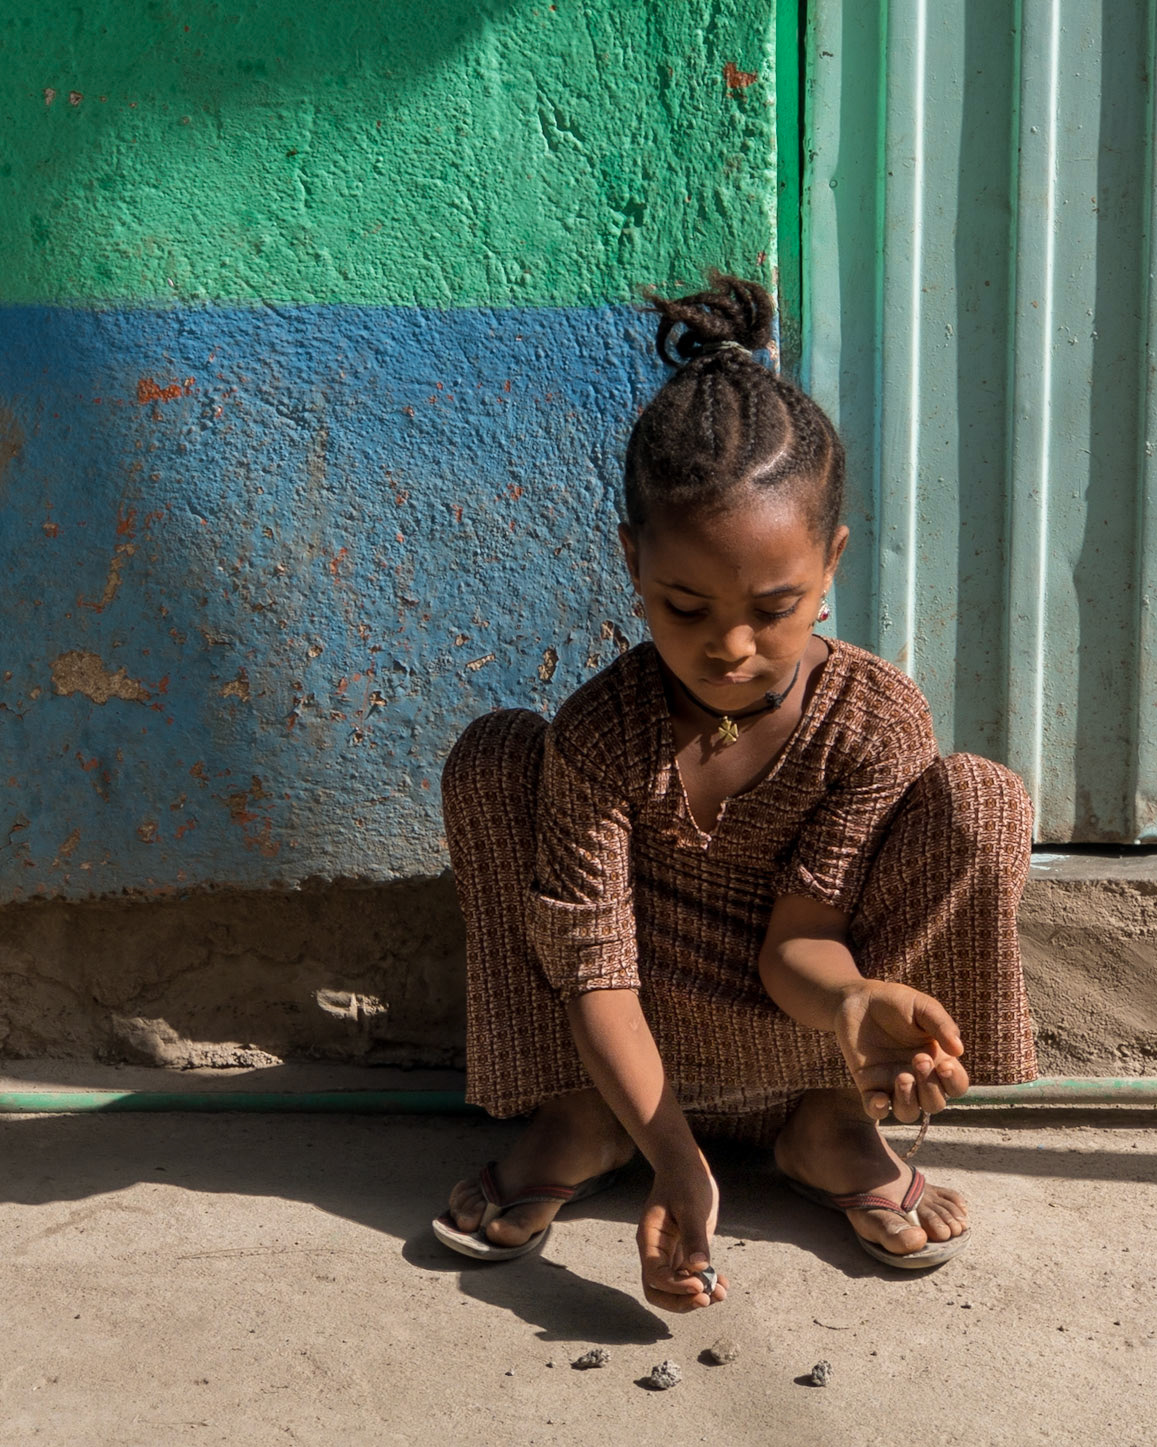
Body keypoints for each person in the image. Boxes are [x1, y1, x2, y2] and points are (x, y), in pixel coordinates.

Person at [432, 271, 1036, 1310]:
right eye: (684, 604)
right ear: (631, 560)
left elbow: (798, 939)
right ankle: (593, 1112)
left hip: (801, 1027)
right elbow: (597, 975)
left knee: (983, 800)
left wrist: (853, 999)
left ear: (832, 562)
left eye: (775, 604)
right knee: (494, 755)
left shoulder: (873, 720)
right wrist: (680, 1162)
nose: (731, 644)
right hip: (627, 1031)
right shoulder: (602, 731)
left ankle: (827, 1119)